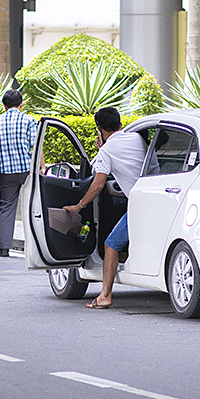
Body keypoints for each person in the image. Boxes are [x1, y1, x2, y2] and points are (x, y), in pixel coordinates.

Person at [63, 107, 149, 309]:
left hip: (140, 206)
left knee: (110, 244)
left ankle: (105, 295)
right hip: (156, 199)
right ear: (120, 125)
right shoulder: (137, 138)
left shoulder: (107, 151)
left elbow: (98, 184)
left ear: (99, 128)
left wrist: (79, 206)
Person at [0, 89, 40, 257]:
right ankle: (35, 248)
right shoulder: (29, 120)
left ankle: (4, 248)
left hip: (6, 173)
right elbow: (36, 146)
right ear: (22, 104)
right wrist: (42, 167)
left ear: (4, 106)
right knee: (33, 208)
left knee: (6, 208)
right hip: (26, 171)